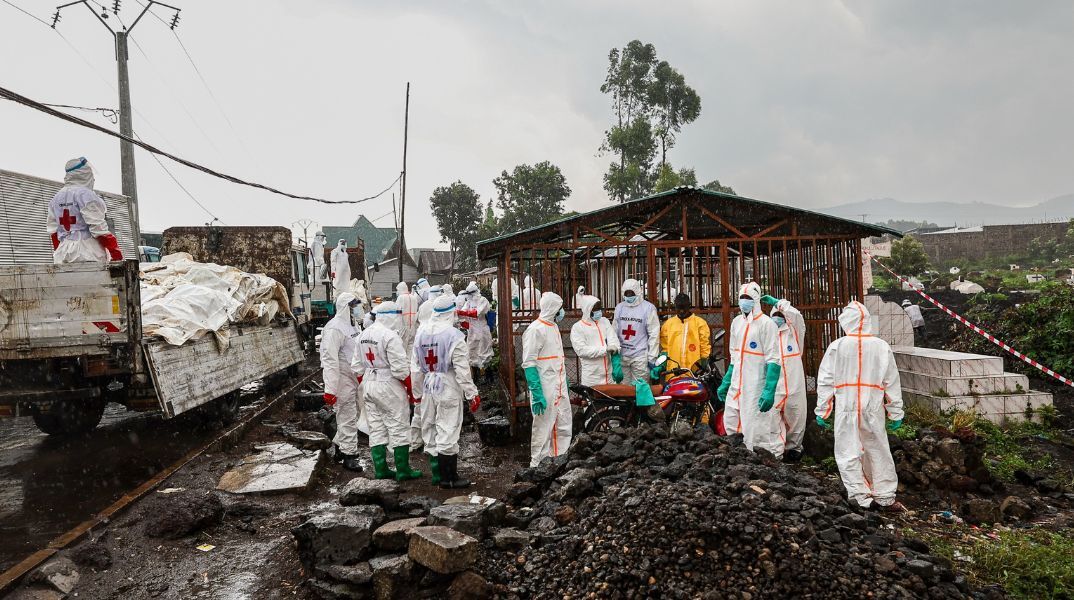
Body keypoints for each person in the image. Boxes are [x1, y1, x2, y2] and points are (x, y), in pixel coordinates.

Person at [816, 301, 905, 510]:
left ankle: (859, 497)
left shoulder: (837, 346)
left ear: (846, 322)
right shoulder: (881, 346)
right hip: (873, 407)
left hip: (846, 406)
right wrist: (895, 411)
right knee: (878, 449)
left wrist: (823, 409)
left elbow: (825, 380)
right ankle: (884, 496)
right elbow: (891, 381)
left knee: (848, 451)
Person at [411, 295, 481, 488]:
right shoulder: (454, 335)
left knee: (432, 427)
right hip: (447, 385)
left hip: (428, 385)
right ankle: (449, 478)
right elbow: (462, 370)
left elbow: (415, 367)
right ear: (451, 312)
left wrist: (416, 394)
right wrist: (471, 394)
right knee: (448, 428)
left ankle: (439, 474)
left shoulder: (421, 333)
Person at [353, 301, 422, 481]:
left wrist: (368, 382)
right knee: (398, 426)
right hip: (389, 385)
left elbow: (356, 367)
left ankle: (381, 469)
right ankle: (403, 470)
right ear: (391, 316)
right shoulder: (390, 336)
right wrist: (411, 391)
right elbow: (400, 370)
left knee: (376, 427)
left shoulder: (363, 334)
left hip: (369, 383)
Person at [717, 282, 783, 457]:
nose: (744, 302)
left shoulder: (766, 324)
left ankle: (760, 464)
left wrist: (769, 390)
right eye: (742, 298)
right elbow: (734, 356)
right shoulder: (737, 323)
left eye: (748, 298)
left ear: (756, 300)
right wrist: (726, 381)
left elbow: (773, 360)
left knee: (756, 428)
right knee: (731, 421)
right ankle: (736, 461)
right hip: (737, 384)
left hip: (755, 386)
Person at [522, 292, 572, 467]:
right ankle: (537, 467)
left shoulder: (553, 327)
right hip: (545, 387)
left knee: (563, 425)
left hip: (558, 386)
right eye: (560, 309)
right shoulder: (535, 330)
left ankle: (559, 463)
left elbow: (557, 357)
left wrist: (564, 381)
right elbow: (529, 363)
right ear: (552, 309)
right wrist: (536, 392)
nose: (562, 312)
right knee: (543, 430)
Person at [47, 157, 123, 264]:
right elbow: (98, 228)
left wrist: (61, 250)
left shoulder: (55, 199)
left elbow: (53, 232)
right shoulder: (86, 195)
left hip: (62, 253)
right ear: (85, 174)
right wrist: (115, 253)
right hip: (87, 253)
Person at [320, 292, 364, 472]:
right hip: (342, 379)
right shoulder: (334, 328)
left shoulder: (352, 325)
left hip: (354, 378)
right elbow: (329, 360)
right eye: (354, 306)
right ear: (347, 307)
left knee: (356, 414)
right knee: (347, 416)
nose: (358, 309)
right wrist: (330, 389)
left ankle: (340, 445)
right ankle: (350, 456)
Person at [761, 294, 807, 462]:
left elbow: (795, 315)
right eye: (775, 316)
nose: (778, 319)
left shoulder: (794, 333)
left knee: (797, 419)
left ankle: (794, 450)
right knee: (773, 422)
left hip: (794, 386)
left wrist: (779, 304)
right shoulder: (766, 335)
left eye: (781, 316)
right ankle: (776, 455)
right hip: (775, 387)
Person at [613, 279, 661, 384]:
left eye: (631, 293)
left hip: (640, 357)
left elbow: (654, 334)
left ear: (638, 292)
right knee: (623, 390)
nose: (629, 296)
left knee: (640, 389)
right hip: (623, 356)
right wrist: (614, 354)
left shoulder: (648, 308)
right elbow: (614, 331)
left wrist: (652, 357)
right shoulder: (619, 308)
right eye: (626, 293)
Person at [570, 294, 621, 386]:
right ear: (587, 310)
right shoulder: (578, 328)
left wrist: (615, 348)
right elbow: (582, 350)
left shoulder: (604, 321)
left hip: (609, 376)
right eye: (595, 309)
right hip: (592, 377)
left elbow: (613, 338)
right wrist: (605, 350)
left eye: (599, 308)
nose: (599, 311)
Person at [659, 292, 711, 375]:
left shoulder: (700, 323)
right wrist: (662, 364)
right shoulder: (668, 324)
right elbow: (665, 348)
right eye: (679, 308)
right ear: (675, 307)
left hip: (694, 370)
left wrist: (704, 361)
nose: (682, 311)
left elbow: (704, 345)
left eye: (684, 308)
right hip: (673, 371)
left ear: (689, 306)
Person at [457, 281, 494, 382]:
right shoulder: (468, 302)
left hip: (482, 329)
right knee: (472, 352)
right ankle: (476, 378)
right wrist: (459, 314)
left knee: (484, 353)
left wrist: (462, 312)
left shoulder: (483, 300)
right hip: (472, 330)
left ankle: (489, 377)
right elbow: (463, 313)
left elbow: (476, 313)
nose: (469, 296)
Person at [396, 282, 421, 351]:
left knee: (402, 349)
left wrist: (398, 328)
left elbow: (398, 313)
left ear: (401, 289)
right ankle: (410, 362)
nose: (397, 292)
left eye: (398, 290)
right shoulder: (413, 297)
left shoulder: (400, 298)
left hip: (403, 327)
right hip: (413, 327)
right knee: (411, 348)